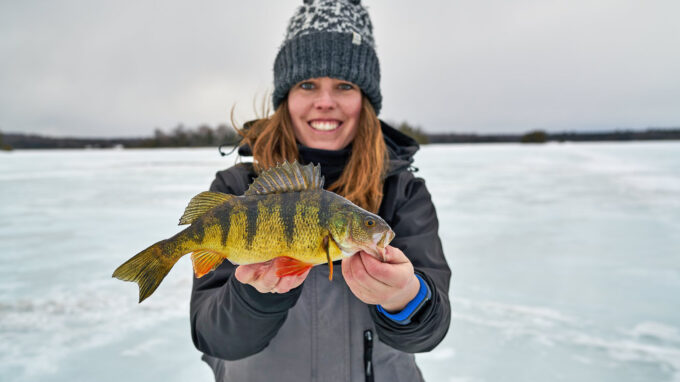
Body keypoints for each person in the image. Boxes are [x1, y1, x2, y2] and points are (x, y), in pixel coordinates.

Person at [190, 1, 451, 381]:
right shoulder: (237, 191)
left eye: (344, 85)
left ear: (365, 99)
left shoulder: (402, 192)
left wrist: (403, 298)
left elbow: (429, 332)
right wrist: (256, 295)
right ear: (285, 98)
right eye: (308, 84)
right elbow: (213, 338)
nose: (325, 101)